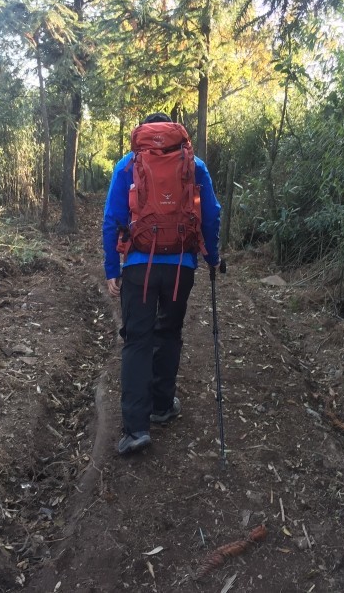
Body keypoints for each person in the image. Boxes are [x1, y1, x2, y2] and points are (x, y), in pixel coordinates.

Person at [102, 112, 221, 455]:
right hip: (180, 265)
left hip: (139, 265)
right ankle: (162, 405)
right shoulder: (194, 164)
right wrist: (211, 257)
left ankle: (136, 429)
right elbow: (211, 214)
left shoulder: (128, 164)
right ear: (174, 133)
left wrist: (113, 268)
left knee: (137, 341)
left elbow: (112, 219)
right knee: (169, 333)